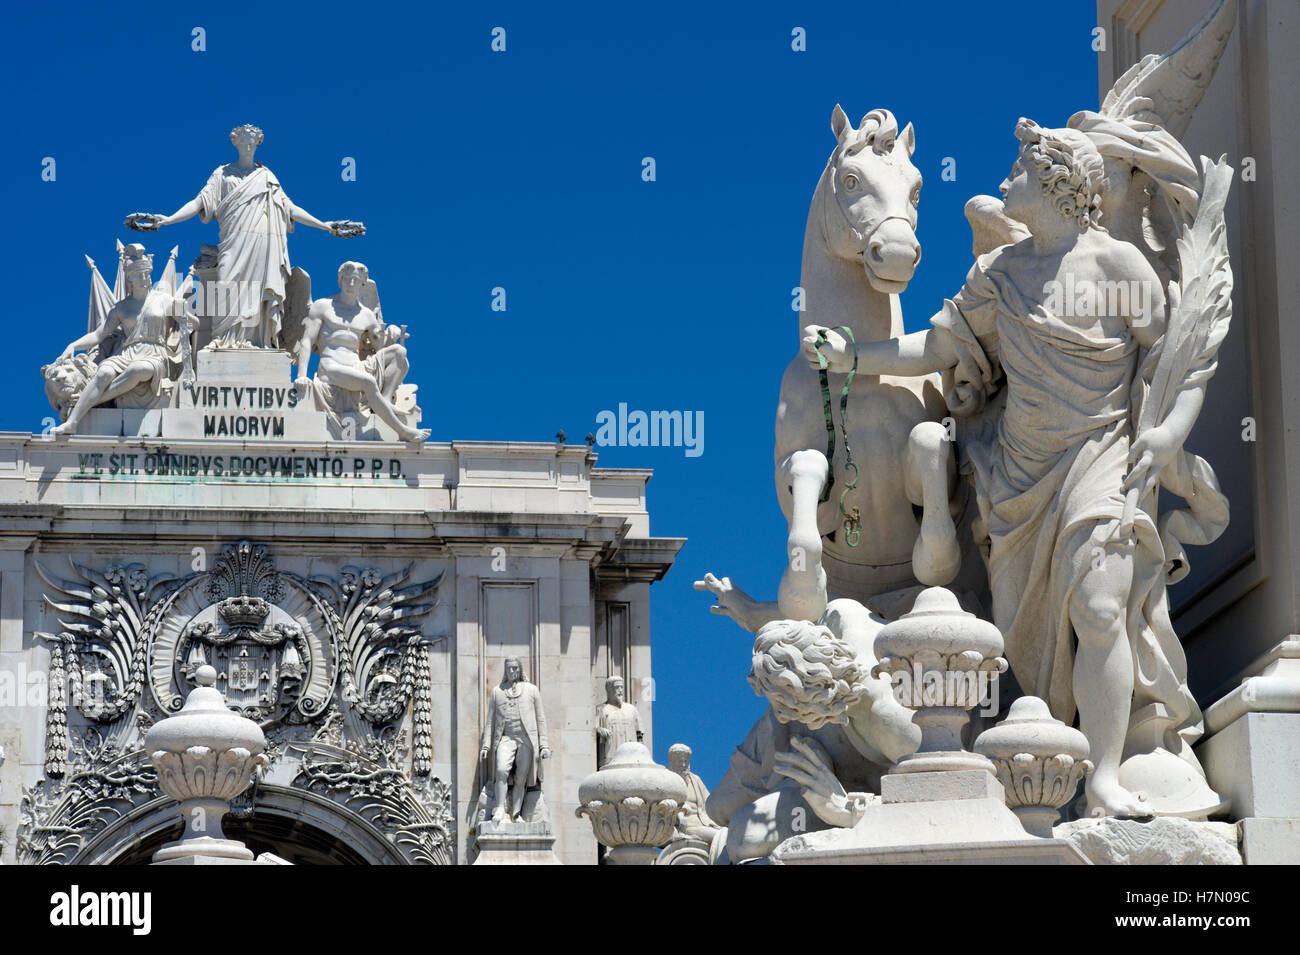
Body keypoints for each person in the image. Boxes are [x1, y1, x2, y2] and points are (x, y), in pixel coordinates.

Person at [802, 118, 1220, 817]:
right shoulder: (997, 275)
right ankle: (1045, 774)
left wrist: (1170, 432)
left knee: (1098, 606)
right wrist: (853, 358)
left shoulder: (1118, 267)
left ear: (1057, 184)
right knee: (1028, 655)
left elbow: (1182, 361)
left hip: (1101, 462)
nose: (1003, 180)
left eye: (1020, 168)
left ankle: (1107, 776)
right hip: (1019, 480)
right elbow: (935, 347)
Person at [134, 124, 362, 349]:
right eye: (243, 141)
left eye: (252, 142)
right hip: (233, 241)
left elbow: (290, 209)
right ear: (235, 143)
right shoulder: (222, 174)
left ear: (258, 144)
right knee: (225, 284)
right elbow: (198, 203)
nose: (248, 145)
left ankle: (257, 342)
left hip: (262, 241)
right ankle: (222, 339)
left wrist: (325, 226)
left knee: (258, 289)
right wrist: (168, 219)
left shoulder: (266, 176)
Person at [293, 261, 430, 443]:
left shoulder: (367, 315)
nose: (351, 283)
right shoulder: (323, 306)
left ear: (362, 284)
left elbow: (379, 346)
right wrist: (302, 375)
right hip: (331, 367)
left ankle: (386, 399)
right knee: (368, 382)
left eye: (355, 280)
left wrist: (391, 333)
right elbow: (307, 340)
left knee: (399, 352)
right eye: (347, 279)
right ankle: (402, 430)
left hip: (356, 366)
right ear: (340, 280)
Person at [51, 246, 176, 435]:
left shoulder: (164, 300)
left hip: (154, 354)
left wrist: (189, 317)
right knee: (103, 373)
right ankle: (72, 423)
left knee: (137, 370)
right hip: (127, 353)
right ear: (130, 278)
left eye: (146, 274)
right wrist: (73, 345)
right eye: (139, 275)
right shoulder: (121, 308)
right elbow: (98, 335)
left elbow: (193, 322)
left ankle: (88, 402)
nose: (144, 279)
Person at [479, 658, 550, 823]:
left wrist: (544, 745)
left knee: (521, 778)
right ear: (505, 670)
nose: (512, 672)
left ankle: (516, 813)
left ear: (520, 669)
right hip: (506, 738)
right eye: (509, 669)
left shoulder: (532, 690)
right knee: (501, 770)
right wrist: (486, 745)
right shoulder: (497, 691)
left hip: (526, 739)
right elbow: (490, 722)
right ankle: (500, 809)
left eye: (515, 669)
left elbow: (541, 719)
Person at [595, 676, 642, 767]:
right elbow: (593, 730)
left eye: (622, 687)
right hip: (609, 756)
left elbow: (639, 734)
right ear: (609, 690)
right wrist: (599, 730)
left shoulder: (631, 709)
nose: (620, 690)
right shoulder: (601, 709)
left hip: (631, 758)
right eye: (617, 687)